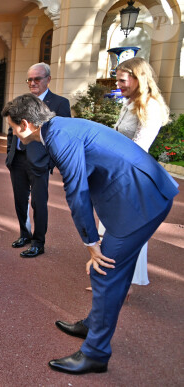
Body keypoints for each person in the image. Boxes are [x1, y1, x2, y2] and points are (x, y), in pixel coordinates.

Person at [1, 94, 178, 374]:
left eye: (11, 126)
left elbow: (77, 191)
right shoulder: (58, 127)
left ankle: (95, 353)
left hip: (141, 201)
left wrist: (91, 243)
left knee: (104, 272)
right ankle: (94, 327)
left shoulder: (59, 136)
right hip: (142, 195)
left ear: (25, 124)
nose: (11, 132)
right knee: (111, 272)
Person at [105, 57, 170, 289]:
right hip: (118, 173)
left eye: (122, 81)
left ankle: (125, 283)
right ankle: (112, 278)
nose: (118, 85)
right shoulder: (129, 102)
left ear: (138, 78)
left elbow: (138, 149)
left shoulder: (149, 105)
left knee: (126, 232)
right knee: (112, 229)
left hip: (131, 177)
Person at [6, 62, 71, 258]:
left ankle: (38, 242)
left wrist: (50, 162)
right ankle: (24, 235)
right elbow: (12, 130)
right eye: (29, 79)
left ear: (48, 79)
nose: (32, 83)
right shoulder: (20, 101)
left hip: (40, 161)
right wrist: (10, 152)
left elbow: (62, 136)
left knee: (38, 202)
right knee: (19, 200)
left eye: (37, 79)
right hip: (17, 159)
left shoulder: (60, 103)